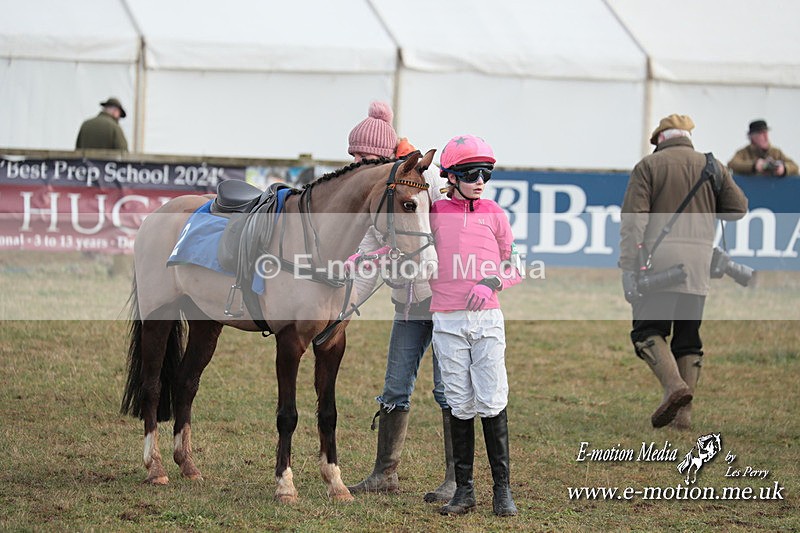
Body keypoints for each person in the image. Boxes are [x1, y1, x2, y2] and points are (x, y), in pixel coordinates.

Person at [345, 101, 456, 504]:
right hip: (407, 308)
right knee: (394, 388)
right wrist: (343, 310)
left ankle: (456, 479)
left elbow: (447, 235)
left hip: (444, 306)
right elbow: (368, 256)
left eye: (364, 156)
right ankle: (384, 474)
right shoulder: (379, 193)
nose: (357, 163)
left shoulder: (422, 181)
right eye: (354, 156)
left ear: (383, 154)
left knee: (448, 391)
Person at [620, 114, 748, 430]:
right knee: (688, 339)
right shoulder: (712, 165)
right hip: (699, 267)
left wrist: (629, 264)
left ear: (660, 140)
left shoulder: (648, 166)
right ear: (688, 136)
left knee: (648, 331)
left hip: (659, 265)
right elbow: (738, 209)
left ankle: (674, 386)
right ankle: (683, 417)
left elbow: (634, 220)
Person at [430, 134, 521, 516]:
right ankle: (464, 491)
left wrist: (492, 282)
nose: (480, 180)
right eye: (471, 174)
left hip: (487, 321)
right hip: (446, 320)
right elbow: (409, 248)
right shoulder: (434, 212)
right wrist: (367, 257)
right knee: (459, 402)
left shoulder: (495, 213)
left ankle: (503, 491)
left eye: (486, 173)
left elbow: (515, 263)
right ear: (451, 177)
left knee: (492, 398)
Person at [727, 119, 798, 177]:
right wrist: (754, 166)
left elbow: (795, 167)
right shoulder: (744, 153)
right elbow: (731, 164)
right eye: (761, 134)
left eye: (766, 133)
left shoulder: (776, 152)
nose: (766, 137)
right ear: (752, 137)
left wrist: (784, 169)